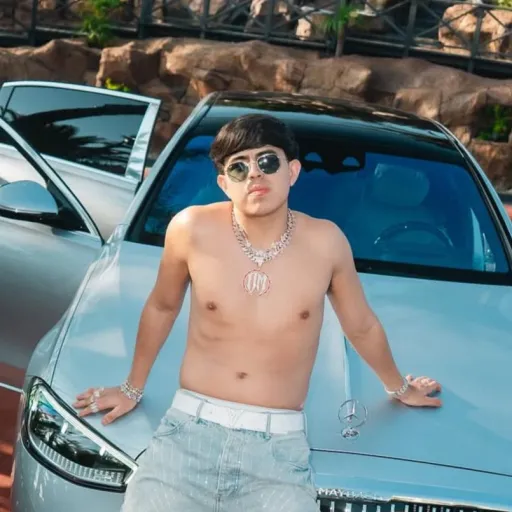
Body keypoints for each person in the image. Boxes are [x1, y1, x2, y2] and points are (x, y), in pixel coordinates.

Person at [73, 114, 442, 511]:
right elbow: (162, 306)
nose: (254, 174)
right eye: (239, 166)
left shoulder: (326, 242)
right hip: (186, 433)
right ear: (224, 183)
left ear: (292, 171)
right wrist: (131, 388)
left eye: (267, 161)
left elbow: (362, 326)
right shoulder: (191, 229)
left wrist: (399, 388)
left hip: (278, 450)